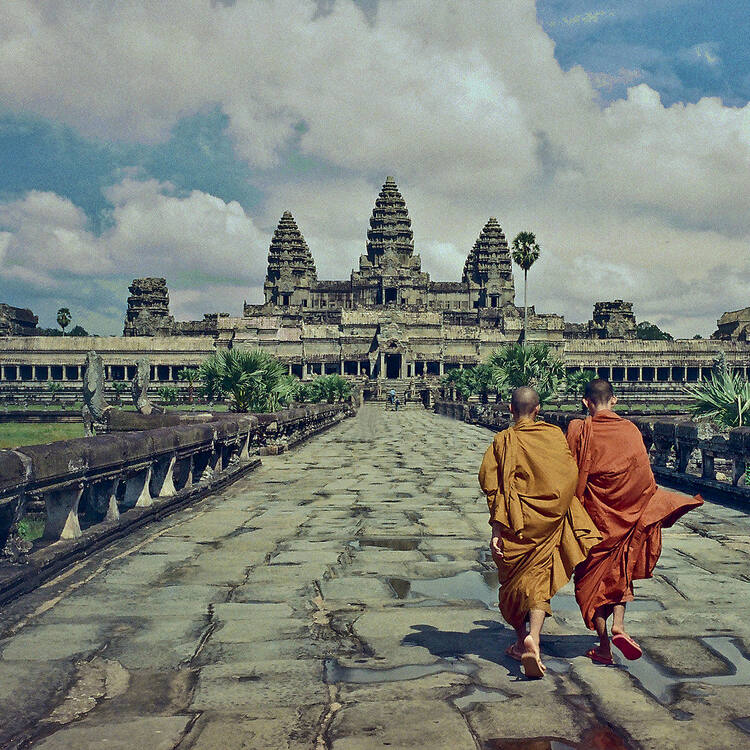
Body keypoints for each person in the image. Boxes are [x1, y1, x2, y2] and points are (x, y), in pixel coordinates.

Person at [566, 379, 703, 665]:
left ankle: (604, 646)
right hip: (627, 518)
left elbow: (569, 474)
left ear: (585, 402)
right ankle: (619, 625)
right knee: (621, 573)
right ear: (614, 400)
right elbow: (644, 479)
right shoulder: (630, 430)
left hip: (593, 523)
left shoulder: (579, 430)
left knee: (591, 584)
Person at [478, 386, 601, 678]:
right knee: (539, 581)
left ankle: (523, 640)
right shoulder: (553, 435)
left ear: (510, 410)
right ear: (538, 410)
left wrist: (497, 527)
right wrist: (558, 510)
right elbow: (569, 476)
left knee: (511, 585)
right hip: (546, 523)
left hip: (515, 523)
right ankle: (534, 637)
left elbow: (492, 486)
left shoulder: (502, 441)